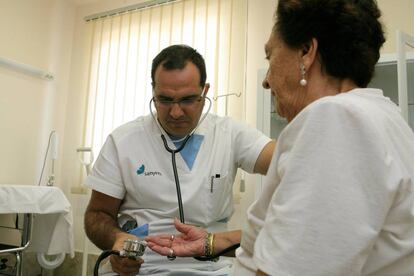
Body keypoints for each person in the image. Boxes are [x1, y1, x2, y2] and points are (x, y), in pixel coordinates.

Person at [145, 0, 414, 275]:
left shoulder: (336, 118)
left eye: (269, 57)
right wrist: (214, 242)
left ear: (306, 52)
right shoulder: (385, 114)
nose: (266, 80)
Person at [84, 44, 275, 275]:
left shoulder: (229, 133)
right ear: (153, 91)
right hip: (141, 266)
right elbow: (97, 215)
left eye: (187, 100)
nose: (175, 112)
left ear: (205, 92)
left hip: (212, 266)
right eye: (164, 100)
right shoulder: (123, 140)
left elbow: (287, 161)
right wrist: (117, 241)